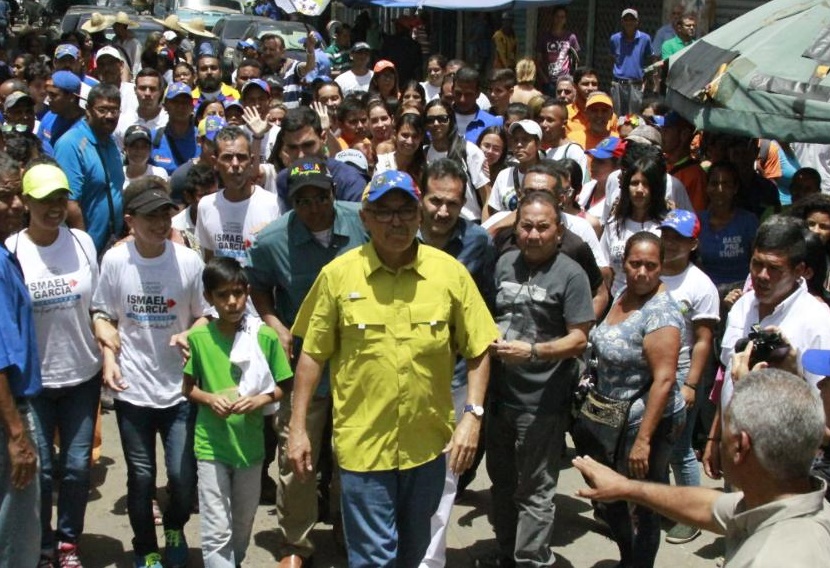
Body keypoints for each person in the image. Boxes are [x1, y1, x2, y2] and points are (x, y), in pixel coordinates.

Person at [287, 170, 498, 568]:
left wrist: (472, 413)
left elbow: (479, 348)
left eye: (404, 211)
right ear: (364, 218)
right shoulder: (338, 276)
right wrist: (298, 428)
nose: (396, 221)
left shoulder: (449, 274)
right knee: (374, 559)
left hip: (428, 446)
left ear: (419, 216)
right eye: (383, 212)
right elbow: (312, 355)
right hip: (364, 448)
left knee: (414, 552)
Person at [574, 368, 830, 567]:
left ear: (740, 447)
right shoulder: (789, 499)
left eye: (722, 434)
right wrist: (625, 487)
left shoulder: (771, 559)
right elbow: (709, 506)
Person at [246, 157, 367, 568]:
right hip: (305, 364)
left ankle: (351, 532)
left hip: (358, 360)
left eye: (322, 196)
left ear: (334, 193)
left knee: (354, 454)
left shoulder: (363, 223)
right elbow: (258, 287)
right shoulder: (272, 241)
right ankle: (296, 544)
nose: (314, 207)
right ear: (291, 202)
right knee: (297, 454)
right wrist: (276, 324)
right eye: (303, 200)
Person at [92, 176, 210, 568]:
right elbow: (103, 312)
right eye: (150, 216)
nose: (161, 223)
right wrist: (108, 354)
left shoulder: (189, 261)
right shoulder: (114, 260)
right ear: (130, 220)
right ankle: (146, 548)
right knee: (141, 478)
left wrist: (188, 334)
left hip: (178, 390)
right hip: (132, 391)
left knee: (181, 476)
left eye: (165, 214)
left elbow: (205, 316)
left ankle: (175, 525)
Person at [485, 190, 595, 567]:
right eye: (526, 226)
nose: (533, 235)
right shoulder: (503, 264)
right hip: (497, 398)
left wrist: (533, 352)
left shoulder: (572, 274)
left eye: (542, 227)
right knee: (500, 485)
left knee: (535, 490)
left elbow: (579, 338)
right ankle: (505, 554)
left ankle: (531, 561)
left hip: (542, 403)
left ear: (559, 231)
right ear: (515, 228)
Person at [6, 163, 101, 568]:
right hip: (36, 384)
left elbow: (97, 304)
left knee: (78, 468)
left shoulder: (82, 242)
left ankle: (67, 542)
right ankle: (41, 543)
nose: (54, 208)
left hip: (83, 374)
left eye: (61, 199)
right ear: (26, 202)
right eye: (44, 200)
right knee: (41, 472)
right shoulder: (12, 251)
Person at [578, 230, 686, 568]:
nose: (642, 272)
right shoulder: (623, 293)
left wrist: (643, 441)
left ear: (662, 267)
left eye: (650, 266)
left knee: (642, 504)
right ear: (623, 264)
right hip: (610, 417)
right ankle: (627, 558)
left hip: (647, 424)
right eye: (635, 264)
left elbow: (665, 379)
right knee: (610, 497)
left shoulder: (662, 313)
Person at [183, 257, 291, 567]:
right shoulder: (200, 339)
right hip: (211, 445)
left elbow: (285, 385)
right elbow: (188, 388)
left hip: (250, 448)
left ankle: (234, 561)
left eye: (238, 293)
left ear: (246, 292)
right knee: (216, 528)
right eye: (222, 295)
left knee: (242, 522)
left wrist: (259, 401)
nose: (232, 302)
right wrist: (209, 399)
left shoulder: (264, 337)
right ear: (209, 298)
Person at [417, 159, 497, 567]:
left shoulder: (478, 242)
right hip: (401, 378)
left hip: (454, 381)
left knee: (445, 479)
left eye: (453, 203)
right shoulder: (397, 234)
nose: (443, 212)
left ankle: (431, 562)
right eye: (435, 201)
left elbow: (482, 317)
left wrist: (474, 407)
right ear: (421, 196)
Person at [707, 216, 830, 478]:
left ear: (799, 270)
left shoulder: (819, 321)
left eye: (774, 268)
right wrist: (715, 437)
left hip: (783, 467)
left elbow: (823, 408)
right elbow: (730, 375)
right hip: (736, 451)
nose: (762, 276)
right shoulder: (743, 305)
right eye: (757, 264)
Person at [657, 210, 719, 545]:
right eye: (666, 234)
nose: (670, 242)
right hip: (650, 368)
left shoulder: (700, 285)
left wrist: (691, 384)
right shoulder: (650, 270)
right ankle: (664, 505)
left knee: (680, 449)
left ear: (693, 243)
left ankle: (691, 515)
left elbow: (703, 341)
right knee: (653, 444)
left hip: (681, 372)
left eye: (678, 238)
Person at [0, 151, 42, 568]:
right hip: (8, 412)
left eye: (18, 197)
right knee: (17, 532)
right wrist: (16, 434)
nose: (15, 205)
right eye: (4, 197)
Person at [55, 83, 126, 253]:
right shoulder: (71, 143)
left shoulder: (112, 143)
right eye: (102, 110)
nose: (109, 116)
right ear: (88, 109)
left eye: (114, 110)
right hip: (85, 246)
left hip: (114, 242)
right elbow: (70, 202)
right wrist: (84, 248)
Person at [197, 126, 280, 265]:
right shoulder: (206, 206)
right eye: (227, 158)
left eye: (241, 157)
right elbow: (210, 259)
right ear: (215, 162)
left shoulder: (273, 204)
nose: (235, 164)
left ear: (252, 161)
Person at [600, 151, 669, 295]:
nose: (639, 190)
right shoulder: (614, 223)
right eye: (634, 183)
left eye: (646, 184)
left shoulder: (666, 227)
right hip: (617, 302)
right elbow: (605, 266)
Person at [424, 99, 491, 222]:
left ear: (451, 120)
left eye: (442, 118)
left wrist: (485, 230)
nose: (436, 123)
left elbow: (486, 196)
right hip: (436, 223)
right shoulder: (424, 154)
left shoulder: (469, 151)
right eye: (430, 120)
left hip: (469, 224)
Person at [697, 161, 759, 292]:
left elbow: (757, 260)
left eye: (726, 184)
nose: (719, 189)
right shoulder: (697, 220)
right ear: (707, 187)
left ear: (735, 188)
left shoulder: (748, 221)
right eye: (714, 184)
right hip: (706, 291)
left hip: (740, 292)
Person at [609, 9, 655, 116]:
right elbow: (612, 59)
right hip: (618, 84)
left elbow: (650, 60)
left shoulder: (645, 39)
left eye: (632, 19)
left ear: (637, 22)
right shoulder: (615, 39)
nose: (629, 22)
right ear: (622, 22)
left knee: (633, 118)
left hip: (635, 85)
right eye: (626, 19)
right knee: (616, 116)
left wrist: (645, 82)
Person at [150, 82, 200, 177]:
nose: (180, 106)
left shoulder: (202, 139)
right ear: (165, 106)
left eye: (185, 102)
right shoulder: (153, 138)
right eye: (175, 102)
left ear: (192, 107)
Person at [114, 68, 169, 150]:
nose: (147, 93)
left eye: (152, 89)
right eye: (142, 88)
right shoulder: (122, 122)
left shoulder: (168, 122)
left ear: (161, 92)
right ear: (135, 90)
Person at [38, 70, 84, 155]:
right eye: (48, 94)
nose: (48, 99)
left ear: (71, 97)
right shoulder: (49, 117)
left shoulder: (85, 126)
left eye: (53, 95)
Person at [453, 66, 503, 144]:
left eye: (468, 94)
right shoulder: (439, 120)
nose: (462, 100)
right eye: (458, 93)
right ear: (452, 90)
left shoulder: (493, 124)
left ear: (478, 94)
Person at [536, 6, 580, 92]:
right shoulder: (544, 37)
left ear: (565, 19)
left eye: (562, 17)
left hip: (565, 81)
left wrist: (572, 77)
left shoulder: (571, 37)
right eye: (557, 16)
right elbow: (538, 61)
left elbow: (576, 59)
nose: (559, 19)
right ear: (553, 17)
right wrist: (544, 79)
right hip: (549, 82)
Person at [374, 112, 427, 182]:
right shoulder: (381, 163)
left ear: (421, 138)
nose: (409, 141)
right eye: (405, 135)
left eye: (415, 136)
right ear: (395, 134)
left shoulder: (425, 171)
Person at [124, 124, 169, 188]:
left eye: (144, 146)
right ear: (125, 148)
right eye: (134, 145)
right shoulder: (118, 174)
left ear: (150, 149)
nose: (139, 150)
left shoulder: (159, 174)